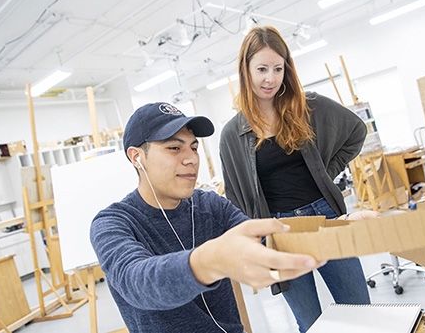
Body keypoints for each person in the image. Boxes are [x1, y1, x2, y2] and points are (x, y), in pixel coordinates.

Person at [90, 102, 327, 333]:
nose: (191, 158)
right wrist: (211, 261)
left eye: (193, 147)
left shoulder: (209, 205)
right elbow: (137, 283)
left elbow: (269, 240)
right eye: (174, 148)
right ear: (136, 157)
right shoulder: (113, 223)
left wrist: (339, 226)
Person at [219, 26, 377, 333]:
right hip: (279, 233)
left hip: (326, 220)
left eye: (278, 68)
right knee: (310, 322)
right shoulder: (231, 135)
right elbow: (235, 198)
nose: (271, 78)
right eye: (262, 69)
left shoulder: (307, 106)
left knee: (360, 312)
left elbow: (356, 132)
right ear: (245, 70)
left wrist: (323, 175)